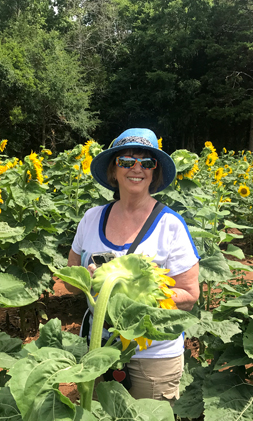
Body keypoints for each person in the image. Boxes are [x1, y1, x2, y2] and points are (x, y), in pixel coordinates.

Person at [67, 128, 200, 405]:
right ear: (114, 171)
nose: (136, 168)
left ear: (154, 173)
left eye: (146, 162)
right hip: (96, 350)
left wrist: (138, 295)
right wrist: (90, 282)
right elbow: (69, 280)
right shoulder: (91, 218)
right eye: (126, 161)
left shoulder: (170, 225)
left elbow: (189, 295)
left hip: (152, 357)